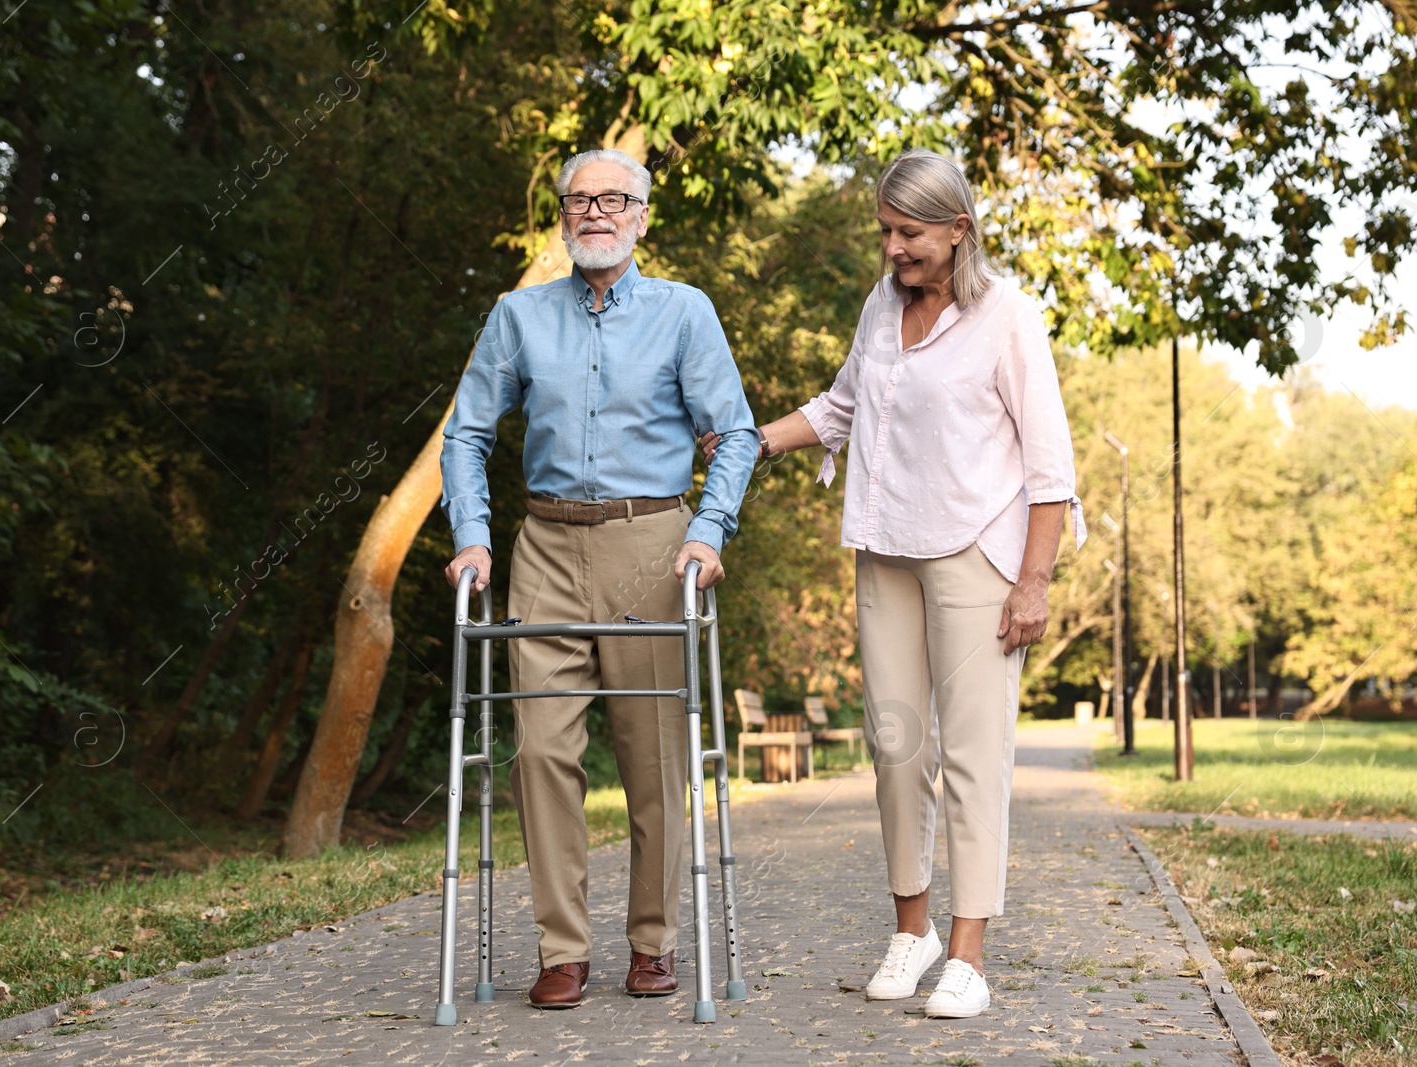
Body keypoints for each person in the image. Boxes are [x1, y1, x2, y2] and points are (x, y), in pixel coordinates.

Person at [703, 148, 1084, 1018]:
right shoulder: (880, 307)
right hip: (886, 548)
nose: (892, 250)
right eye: (884, 231)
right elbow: (841, 406)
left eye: (909, 233)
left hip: (976, 555)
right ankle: (910, 931)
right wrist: (754, 440)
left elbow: (1050, 464)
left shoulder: (1006, 317)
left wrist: (1034, 581)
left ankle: (968, 953)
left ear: (958, 231)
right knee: (896, 746)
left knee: (973, 755)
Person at [440, 148, 760, 1009]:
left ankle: (652, 942)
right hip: (543, 543)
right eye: (579, 200)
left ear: (643, 216)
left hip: (651, 543)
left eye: (614, 199)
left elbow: (735, 432)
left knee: (654, 757)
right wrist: (471, 536)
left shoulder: (685, 313)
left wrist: (707, 529)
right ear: (561, 217)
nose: (595, 212)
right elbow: (465, 433)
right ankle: (562, 948)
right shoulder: (518, 317)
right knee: (540, 750)